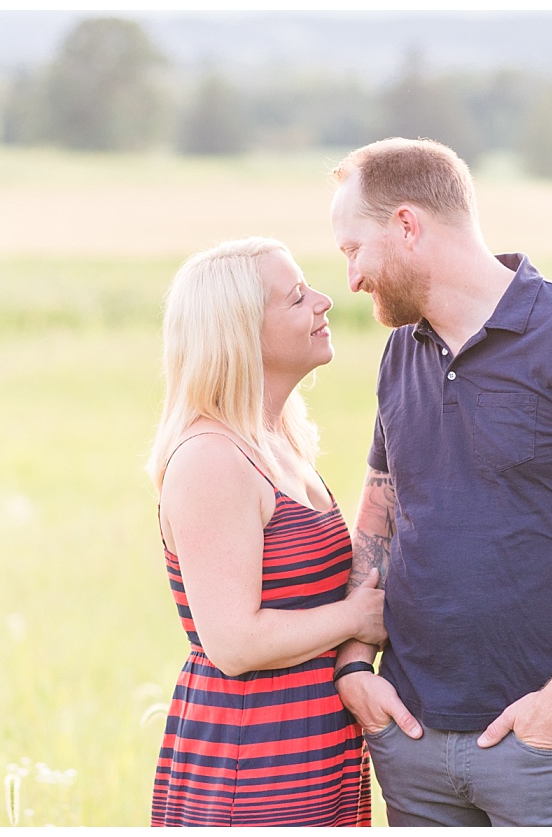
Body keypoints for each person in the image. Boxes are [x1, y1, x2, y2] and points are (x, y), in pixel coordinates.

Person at [324, 137, 552, 827]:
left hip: (544, 750)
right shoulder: (401, 351)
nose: (350, 278)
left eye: (353, 250)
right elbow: (379, 514)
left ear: (407, 225)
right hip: (410, 743)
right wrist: (353, 665)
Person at [144, 237, 386, 826]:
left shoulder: (279, 442)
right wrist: (358, 619)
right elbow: (233, 643)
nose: (325, 302)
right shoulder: (212, 459)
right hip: (250, 763)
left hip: (313, 747)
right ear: (240, 333)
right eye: (297, 297)